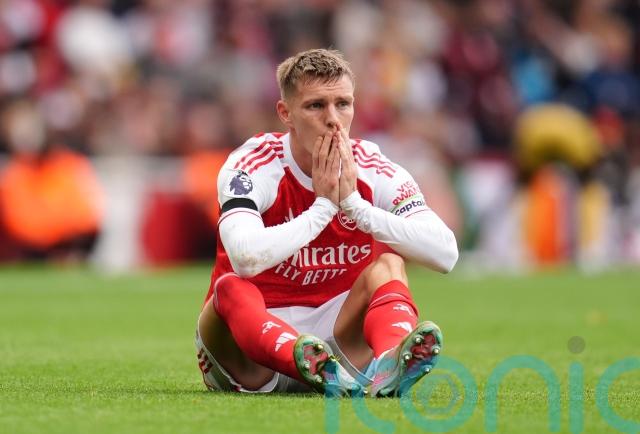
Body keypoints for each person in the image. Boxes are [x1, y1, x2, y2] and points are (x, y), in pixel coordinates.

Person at [195, 49, 458, 397]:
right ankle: (304, 358)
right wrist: (321, 209)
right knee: (230, 287)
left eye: (343, 104)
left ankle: (390, 362)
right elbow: (245, 257)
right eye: (316, 105)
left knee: (389, 265)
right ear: (285, 113)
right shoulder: (253, 164)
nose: (333, 119)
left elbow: (445, 253)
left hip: (337, 340)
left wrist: (356, 207)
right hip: (250, 353)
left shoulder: (372, 166)